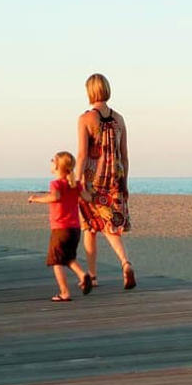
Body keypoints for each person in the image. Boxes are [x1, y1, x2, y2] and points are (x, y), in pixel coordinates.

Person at [75, 73, 137, 290]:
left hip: (92, 182)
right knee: (112, 227)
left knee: (90, 228)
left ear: (89, 91)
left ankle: (92, 275)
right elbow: (125, 155)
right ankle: (125, 262)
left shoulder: (85, 119)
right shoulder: (119, 119)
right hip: (116, 179)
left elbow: (83, 155)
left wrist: (76, 180)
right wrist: (125, 183)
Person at [27, 151, 90, 302]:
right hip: (75, 228)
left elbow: (55, 197)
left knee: (56, 261)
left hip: (61, 228)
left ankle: (64, 292)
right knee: (68, 258)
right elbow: (87, 198)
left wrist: (36, 198)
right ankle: (83, 275)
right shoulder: (75, 184)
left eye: (52, 160)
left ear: (57, 165)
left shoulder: (56, 184)